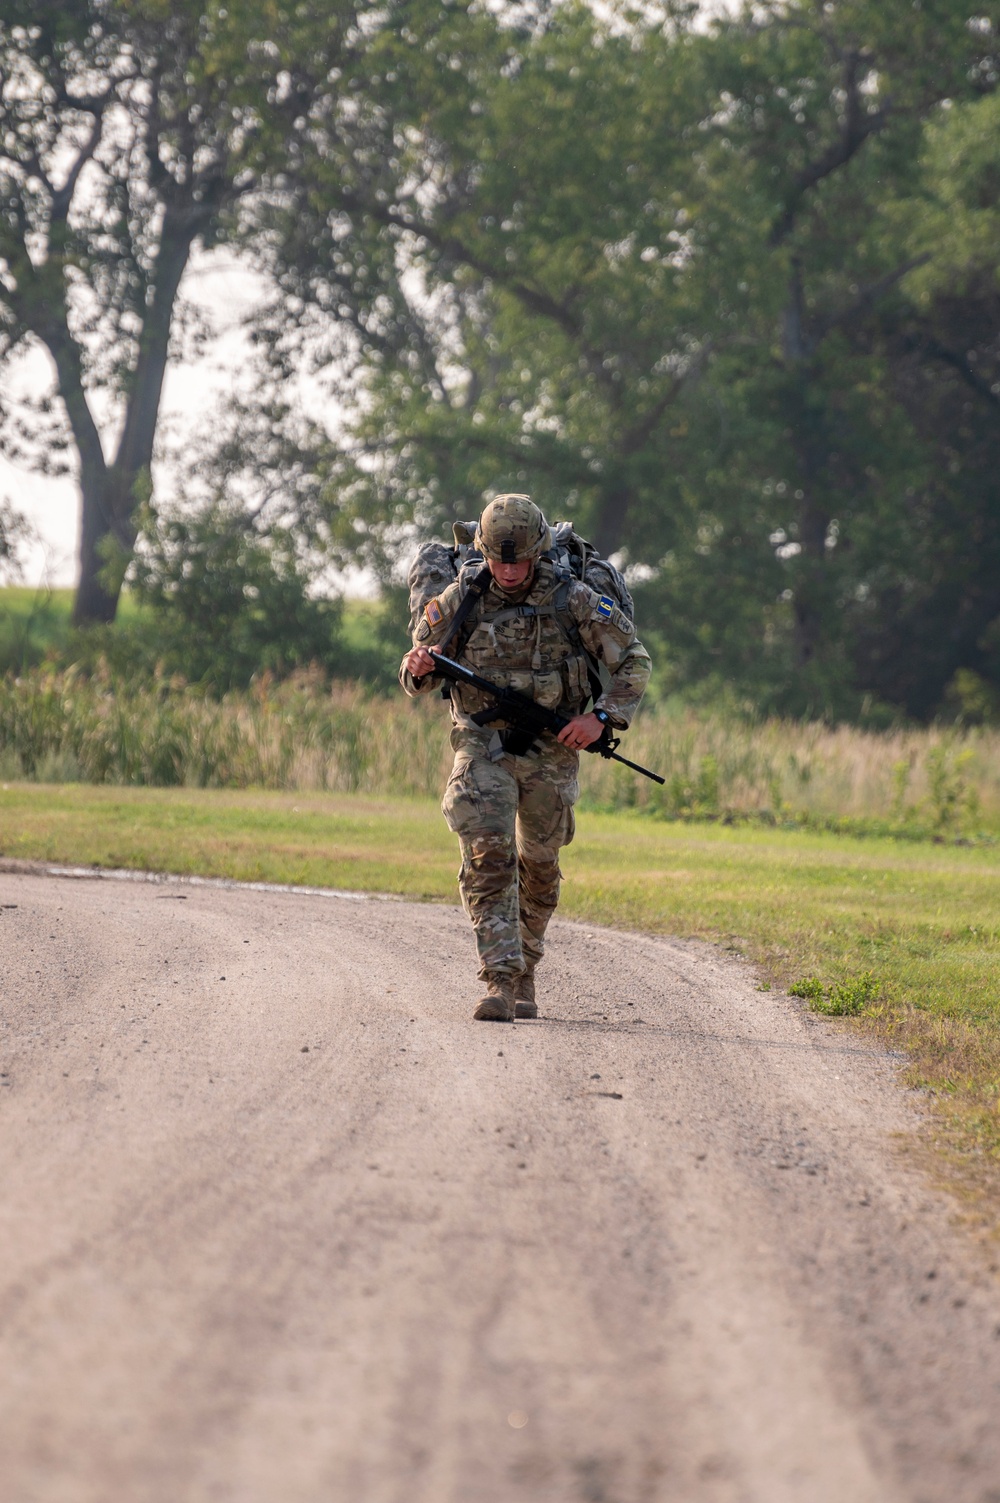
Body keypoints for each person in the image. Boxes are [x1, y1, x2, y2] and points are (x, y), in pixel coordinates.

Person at [399, 494, 651, 1022]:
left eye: (517, 560)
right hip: (480, 741)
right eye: (497, 559)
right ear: (483, 552)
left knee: (539, 864)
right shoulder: (461, 596)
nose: (508, 571)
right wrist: (420, 667)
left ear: (537, 551)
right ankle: (499, 978)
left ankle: (526, 963)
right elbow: (414, 674)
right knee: (489, 853)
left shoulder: (574, 599)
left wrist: (599, 719)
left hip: (552, 747)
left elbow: (633, 662)